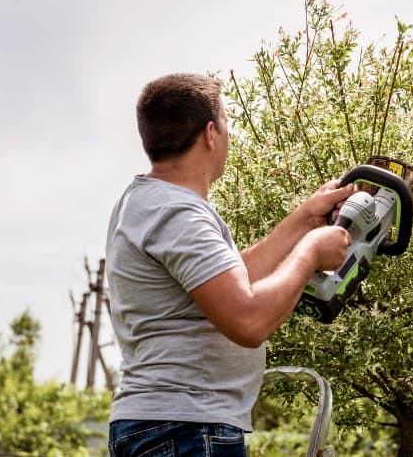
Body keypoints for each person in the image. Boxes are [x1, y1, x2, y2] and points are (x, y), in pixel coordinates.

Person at [105, 73, 353, 456]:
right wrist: (310, 252)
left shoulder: (149, 202)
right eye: (226, 123)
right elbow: (248, 320)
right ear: (210, 133)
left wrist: (304, 220)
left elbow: (228, 283)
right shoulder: (177, 213)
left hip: (167, 425)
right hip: (187, 428)